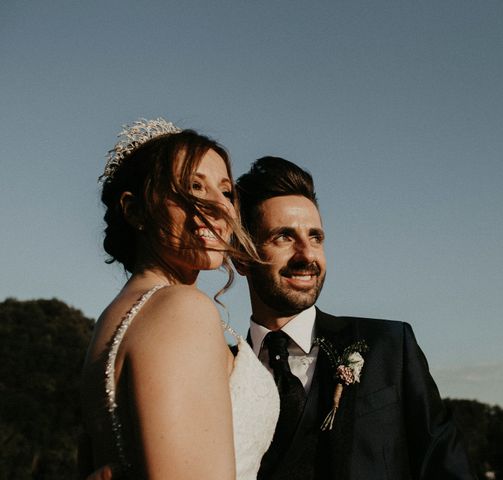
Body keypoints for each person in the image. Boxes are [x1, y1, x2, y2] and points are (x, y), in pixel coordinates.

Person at [234, 156, 476, 480]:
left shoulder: (391, 346)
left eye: (316, 237)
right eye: (284, 237)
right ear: (240, 256)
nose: (307, 255)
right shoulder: (222, 373)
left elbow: (447, 469)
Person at [80, 119, 279, 480]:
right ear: (136, 210)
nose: (220, 208)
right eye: (193, 186)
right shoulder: (180, 309)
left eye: (225, 192)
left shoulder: (116, 319)